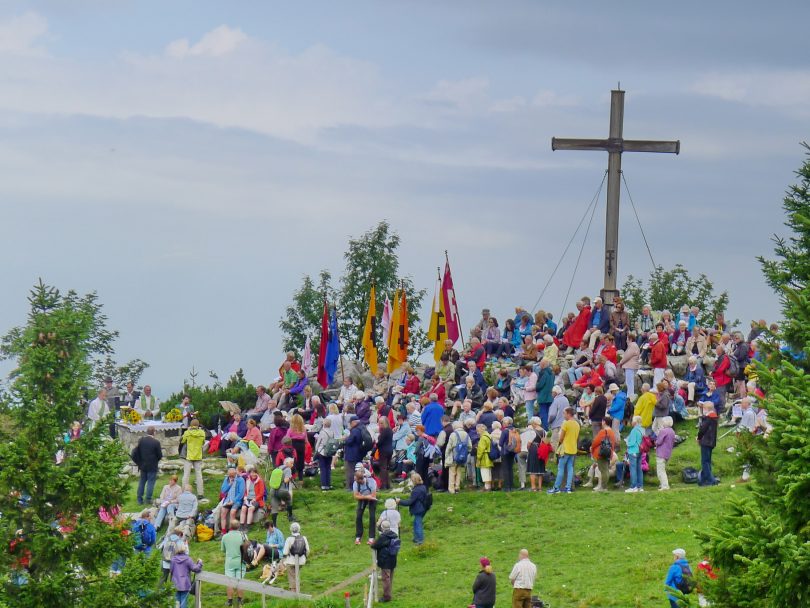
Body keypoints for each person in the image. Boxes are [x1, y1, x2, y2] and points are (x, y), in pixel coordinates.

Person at [548, 407, 580, 494]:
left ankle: (556, 487)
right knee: (570, 468)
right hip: (573, 449)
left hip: (565, 449)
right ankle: (568, 488)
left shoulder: (566, 423)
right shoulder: (577, 424)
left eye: (564, 413)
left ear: (568, 414)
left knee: (561, 468)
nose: (563, 415)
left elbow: (561, 438)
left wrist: (560, 443)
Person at [131, 426, 163, 505]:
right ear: (154, 432)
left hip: (143, 465)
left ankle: (139, 499)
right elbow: (160, 455)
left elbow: (136, 451)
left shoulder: (141, 440)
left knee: (142, 482)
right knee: (150, 482)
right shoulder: (156, 442)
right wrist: (155, 460)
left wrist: (139, 462)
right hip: (152, 465)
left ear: (147, 432)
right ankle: (148, 499)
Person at [396, 472, 428, 545]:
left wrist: (400, 501)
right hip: (423, 508)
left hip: (418, 509)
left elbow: (410, 502)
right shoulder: (423, 487)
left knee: (418, 524)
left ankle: (420, 540)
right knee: (416, 523)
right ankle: (416, 538)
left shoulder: (416, 490)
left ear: (414, 481)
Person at [370, 519, 399, 602]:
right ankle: (389, 594)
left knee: (386, 579)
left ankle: (387, 597)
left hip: (385, 560)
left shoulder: (383, 537)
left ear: (382, 528)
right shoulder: (394, 535)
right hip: (393, 559)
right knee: (390, 578)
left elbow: (374, 545)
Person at [169, 541, 203, 608]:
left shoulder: (173, 559)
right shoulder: (187, 559)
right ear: (184, 548)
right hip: (185, 584)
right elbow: (195, 568)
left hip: (175, 583)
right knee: (183, 603)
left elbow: (171, 571)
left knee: (176, 603)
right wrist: (200, 563)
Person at [221, 523, 246, 606]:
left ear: (230, 527)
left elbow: (223, 550)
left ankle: (229, 601)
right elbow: (247, 548)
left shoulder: (225, 537)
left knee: (229, 582)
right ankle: (240, 600)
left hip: (230, 562)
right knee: (240, 581)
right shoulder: (243, 536)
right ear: (238, 526)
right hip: (241, 562)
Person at [590, 416, 617, 492]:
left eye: (602, 421)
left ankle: (603, 487)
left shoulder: (603, 431)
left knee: (603, 470)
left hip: (601, 453)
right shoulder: (612, 432)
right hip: (608, 453)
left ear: (604, 422)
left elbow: (596, 441)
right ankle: (603, 487)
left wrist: (591, 447)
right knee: (605, 470)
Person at [180, 419, 206, 498]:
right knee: (199, 475)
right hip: (198, 455)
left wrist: (188, 431)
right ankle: (200, 493)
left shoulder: (187, 432)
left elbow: (182, 441)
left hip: (189, 456)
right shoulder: (202, 432)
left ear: (191, 425)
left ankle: (184, 492)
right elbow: (203, 442)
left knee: (186, 475)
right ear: (198, 425)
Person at [282, 522, 310, 593]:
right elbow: (308, 550)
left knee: (292, 576)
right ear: (299, 529)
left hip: (291, 561)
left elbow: (285, 552)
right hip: (301, 561)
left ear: (291, 529)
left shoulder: (289, 539)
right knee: (296, 574)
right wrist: (305, 557)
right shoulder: (304, 538)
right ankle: (297, 589)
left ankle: (293, 591)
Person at [353, 466, 378, 545]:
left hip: (372, 499)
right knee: (358, 516)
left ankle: (371, 537)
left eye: (358, 481)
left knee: (372, 516)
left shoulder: (371, 482)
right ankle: (358, 536)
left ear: (362, 479)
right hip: (363, 498)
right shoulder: (355, 483)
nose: (356, 482)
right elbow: (355, 496)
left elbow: (373, 495)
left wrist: (362, 496)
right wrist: (365, 497)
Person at [445, 421, 472, 494]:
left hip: (454, 456)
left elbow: (449, 447)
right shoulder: (466, 434)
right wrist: (465, 453)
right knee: (459, 472)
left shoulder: (453, 434)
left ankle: (451, 489)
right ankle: (457, 487)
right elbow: (470, 446)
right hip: (462, 457)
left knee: (452, 472)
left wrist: (446, 455)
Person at [697, 401, 720, 486]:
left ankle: (711, 480)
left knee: (705, 462)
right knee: (708, 461)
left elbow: (702, 429)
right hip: (711, 442)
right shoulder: (714, 417)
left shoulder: (708, 418)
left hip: (705, 441)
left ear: (706, 409)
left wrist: (698, 438)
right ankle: (704, 479)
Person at [219, 466, 245, 534]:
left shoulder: (240, 480)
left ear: (235, 474)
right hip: (228, 500)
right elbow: (223, 491)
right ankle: (223, 531)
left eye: (232, 476)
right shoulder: (227, 479)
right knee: (223, 512)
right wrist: (229, 484)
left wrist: (233, 501)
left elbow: (241, 493)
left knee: (232, 512)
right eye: (229, 476)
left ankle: (231, 530)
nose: (231, 477)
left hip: (236, 500)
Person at [314, 417, 336, 490]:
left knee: (323, 469)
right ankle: (328, 484)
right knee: (328, 468)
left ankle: (324, 485)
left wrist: (316, 450)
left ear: (324, 424)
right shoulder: (332, 432)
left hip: (322, 452)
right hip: (330, 452)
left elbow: (318, 443)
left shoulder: (322, 432)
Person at [655, 416, 676, 490]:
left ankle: (665, 485)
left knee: (660, 470)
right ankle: (663, 484)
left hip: (661, 452)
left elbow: (658, 441)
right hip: (668, 452)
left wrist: (655, 442)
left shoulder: (663, 431)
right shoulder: (672, 431)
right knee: (662, 469)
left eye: (663, 422)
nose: (662, 423)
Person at [625, 415, 644, 493]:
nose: (632, 422)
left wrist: (627, 442)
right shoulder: (642, 429)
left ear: (635, 422)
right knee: (639, 469)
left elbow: (632, 442)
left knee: (633, 469)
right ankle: (640, 486)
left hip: (633, 451)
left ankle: (633, 487)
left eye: (633, 420)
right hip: (640, 451)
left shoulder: (634, 430)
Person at [618, 333, 640, 399]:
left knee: (629, 382)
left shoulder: (632, 346)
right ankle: (629, 394)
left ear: (630, 339)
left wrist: (621, 362)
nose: (626, 341)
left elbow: (627, 356)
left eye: (627, 339)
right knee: (629, 381)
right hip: (630, 366)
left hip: (630, 366)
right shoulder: (633, 345)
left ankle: (630, 395)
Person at [535, 360, 554, 430]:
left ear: (542, 365)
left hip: (543, 396)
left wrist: (536, 387)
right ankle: (550, 426)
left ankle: (545, 428)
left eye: (540, 364)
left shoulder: (543, 373)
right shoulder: (552, 373)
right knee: (549, 412)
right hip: (550, 396)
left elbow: (540, 385)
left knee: (543, 413)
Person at [476, 424, 494, 491]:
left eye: (478, 431)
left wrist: (478, 457)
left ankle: (487, 487)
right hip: (489, 456)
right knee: (488, 472)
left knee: (484, 472)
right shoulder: (488, 436)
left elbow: (481, 449)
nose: (477, 432)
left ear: (481, 430)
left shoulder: (483, 438)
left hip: (484, 457)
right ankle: (489, 486)